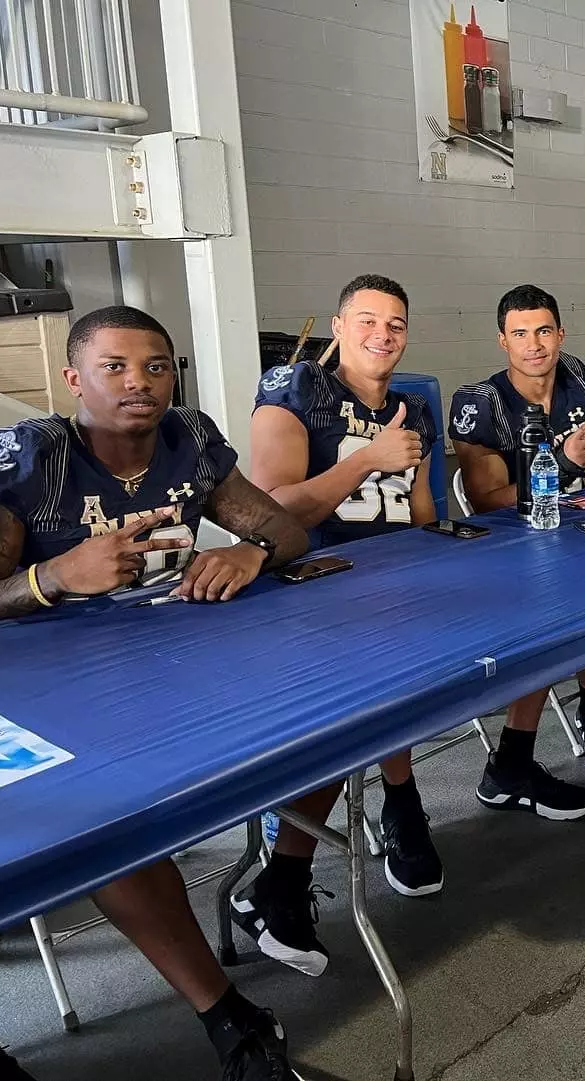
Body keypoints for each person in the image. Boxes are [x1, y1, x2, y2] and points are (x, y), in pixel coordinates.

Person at [0, 305, 308, 1081]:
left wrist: (251, 553)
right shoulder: (27, 458)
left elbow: (285, 531)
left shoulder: (190, 439)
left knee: (320, 718)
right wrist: (51, 579)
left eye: (155, 365)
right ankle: (225, 1017)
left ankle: (283, 888)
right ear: (74, 378)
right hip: (26, 693)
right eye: (113, 366)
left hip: (149, 676)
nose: (139, 382)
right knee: (94, 823)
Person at [237, 275, 444, 979]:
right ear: (336, 324)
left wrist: (442, 553)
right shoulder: (295, 392)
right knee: (356, 707)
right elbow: (267, 509)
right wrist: (364, 459)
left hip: (388, 584)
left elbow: (419, 510)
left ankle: (401, 801)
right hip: (305, 590)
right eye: (366, 321)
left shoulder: (413, 406)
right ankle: (285, 875)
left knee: (423, 663)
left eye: (395, 323)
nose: (382, 335)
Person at [450, 285, 585, 785]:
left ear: (560, 333)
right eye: (520, 333)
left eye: (544, 331)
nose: (534, 344)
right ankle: (520, 752)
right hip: (508, 541)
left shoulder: (578, 375)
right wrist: (561, 462)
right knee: (567, 600)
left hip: (573, 526)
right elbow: (486, 499)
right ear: (502, 341)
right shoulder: (480, 403)